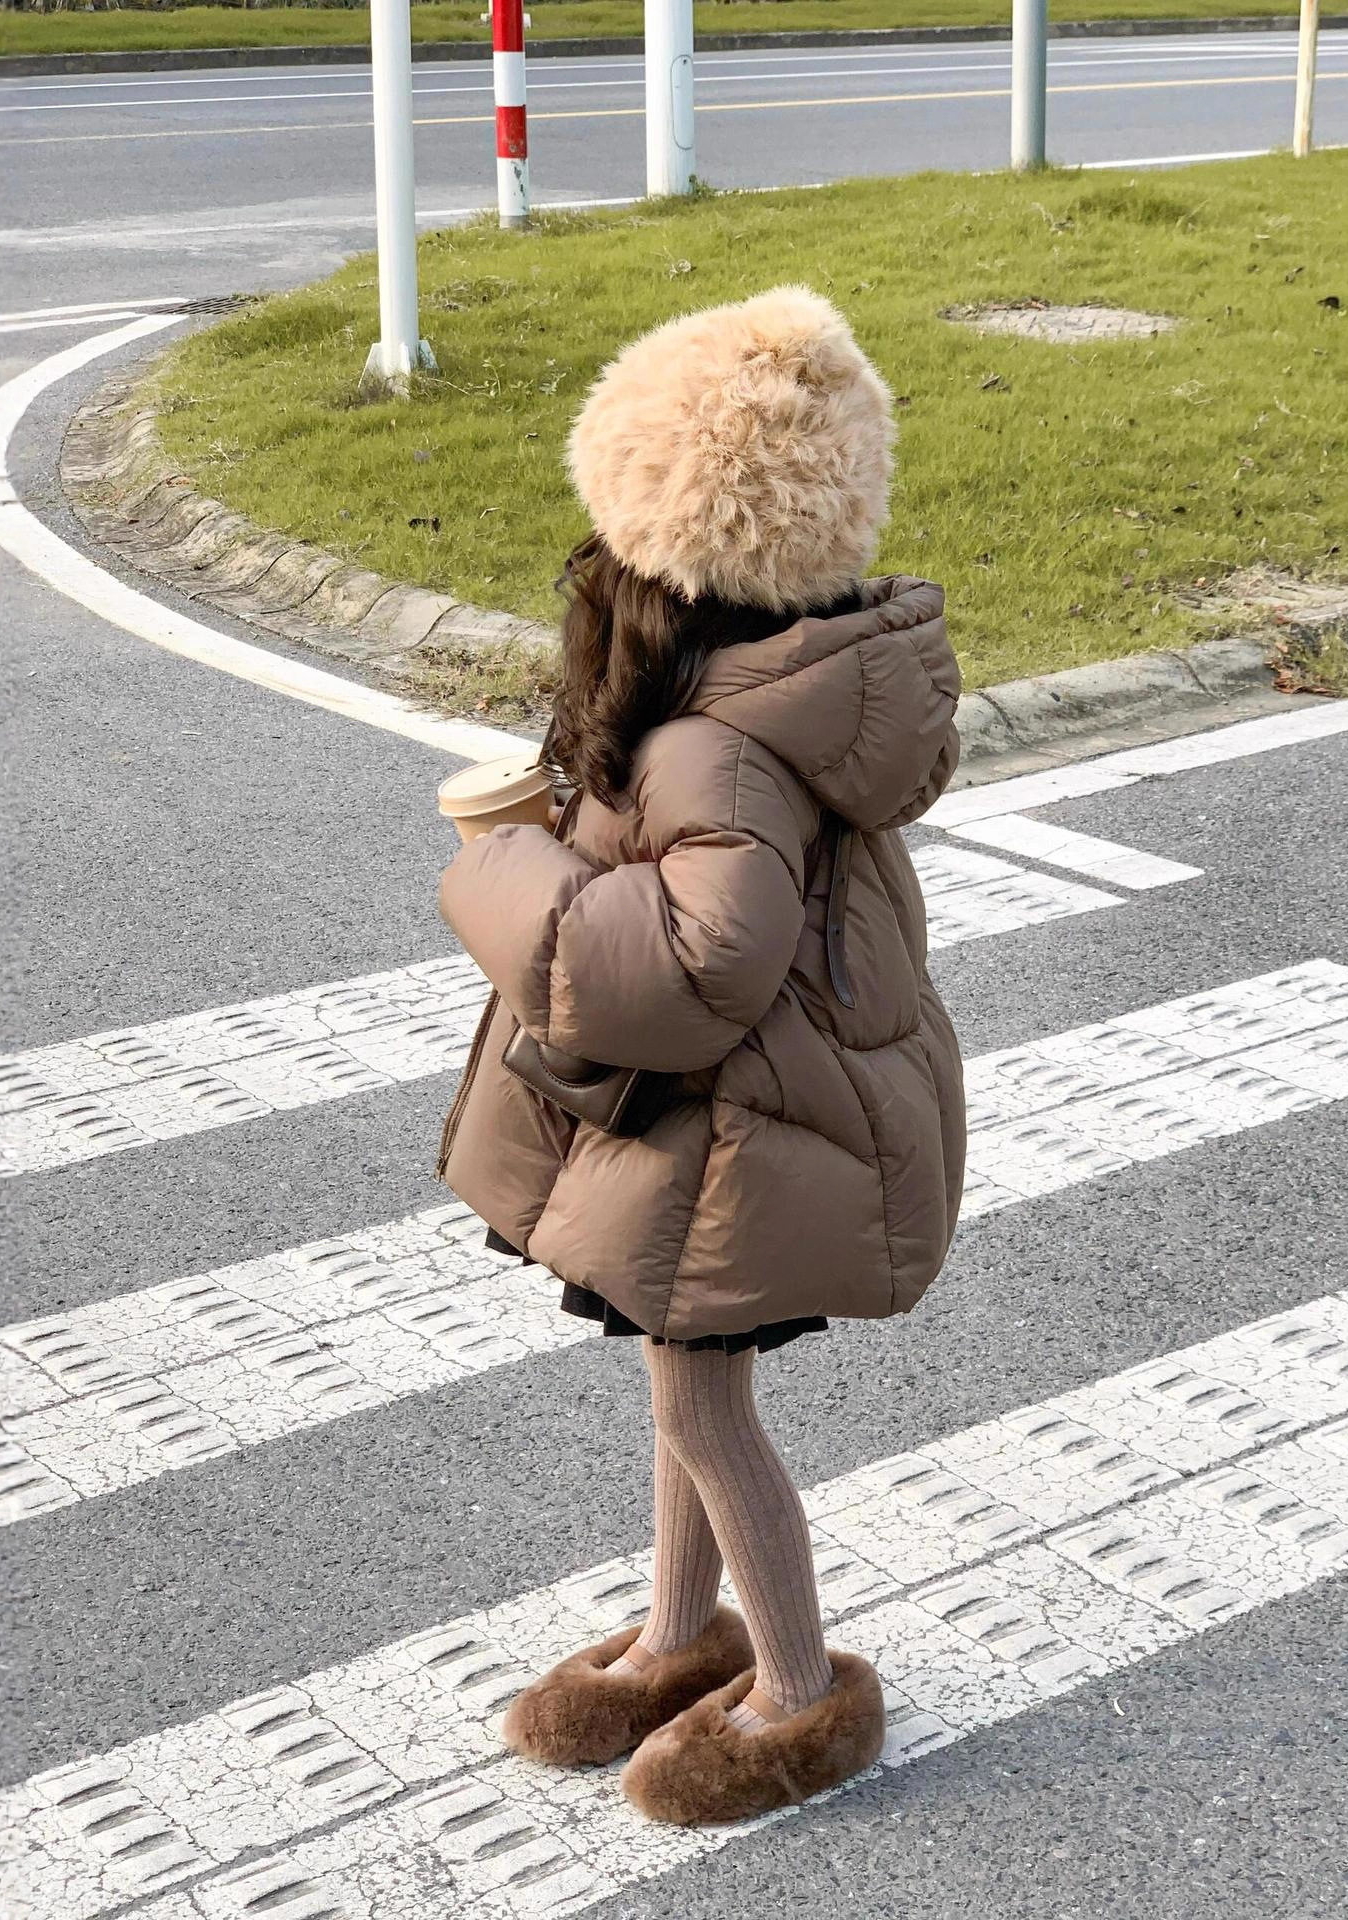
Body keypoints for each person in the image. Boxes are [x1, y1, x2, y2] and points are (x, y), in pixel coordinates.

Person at [436, 285, 965, 1826]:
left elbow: (689, 969)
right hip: (735, 1124)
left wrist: (509, 869)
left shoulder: (711, 746)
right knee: (687, 1380)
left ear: (668, 553)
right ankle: (679, 1639)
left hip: (734, 1135)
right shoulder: (773, 694)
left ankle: (797, 1690)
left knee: (702, 1408)